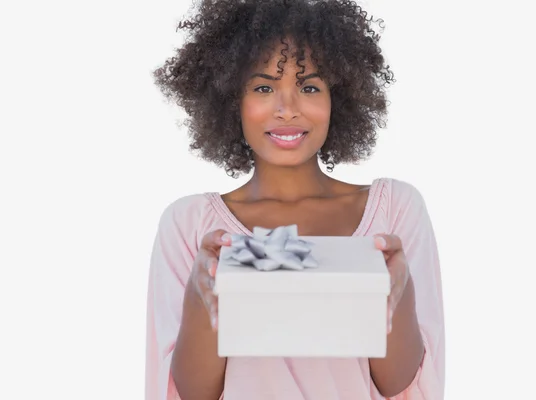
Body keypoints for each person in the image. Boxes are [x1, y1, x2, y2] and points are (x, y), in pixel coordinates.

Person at [145, 0, 445, 399]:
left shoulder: (395, 210)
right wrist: (203, 303)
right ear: (232, 99)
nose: (287, 109)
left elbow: (401, 385)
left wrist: (398, 297)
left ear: (338, 97)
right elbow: (191, 392)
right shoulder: (191, 225)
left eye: (308, 87)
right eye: (264, 87)